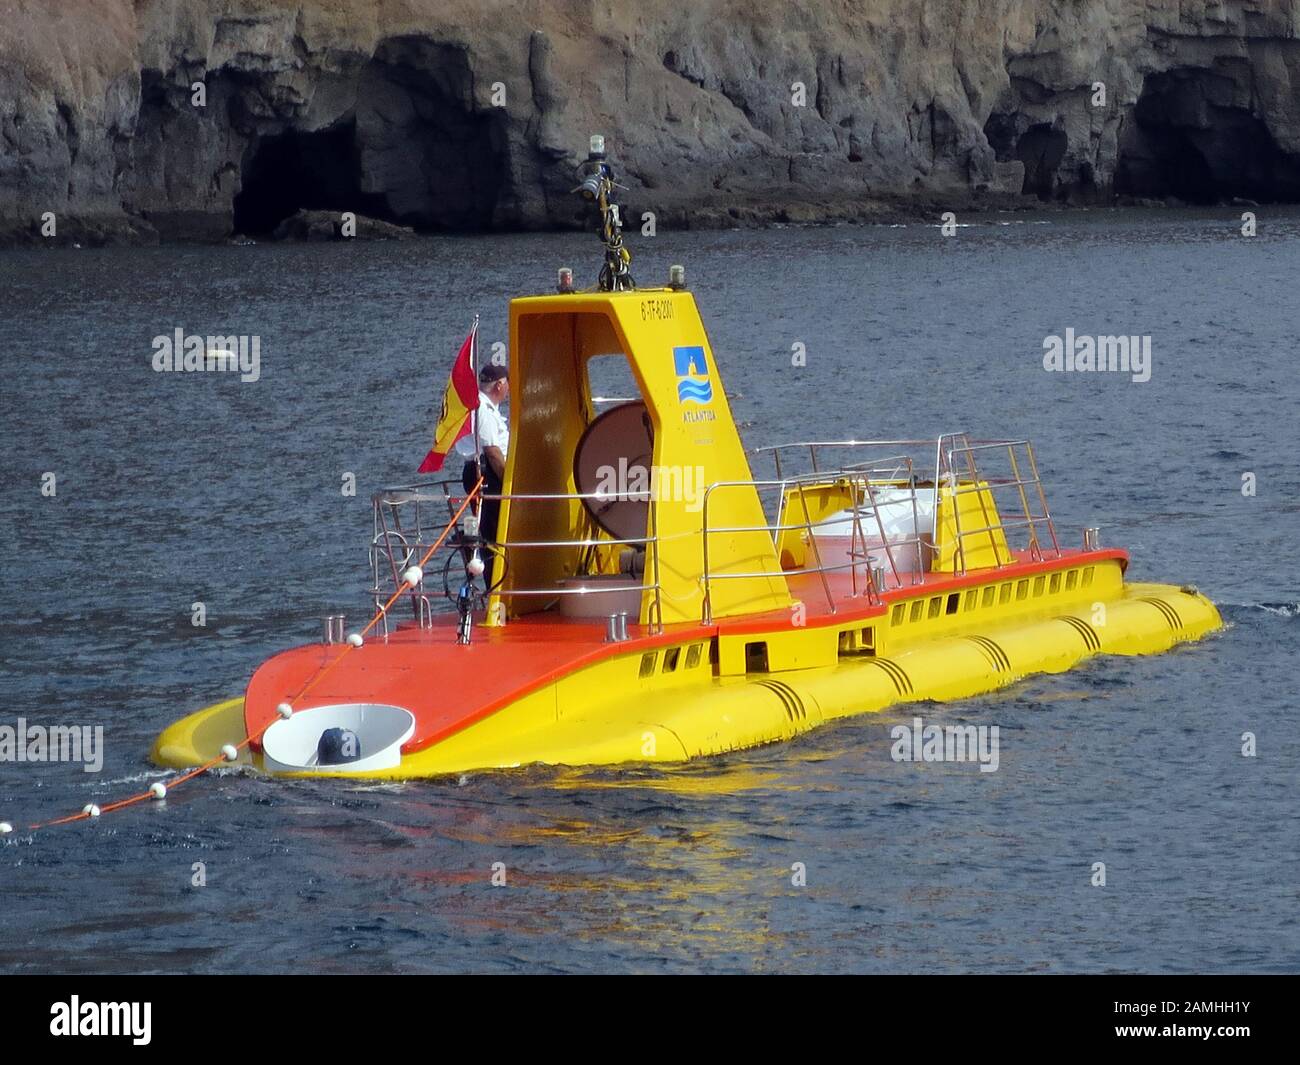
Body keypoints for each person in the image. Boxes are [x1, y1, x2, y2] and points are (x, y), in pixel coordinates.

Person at [458, 362, 509, 544]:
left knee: (491, 526)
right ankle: (494, 570)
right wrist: (509, 483)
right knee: (494, 528)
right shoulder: (483, 409)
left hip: (482, 471)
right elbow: (492, 451)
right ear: (499, 385)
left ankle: (493, 566)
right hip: (486, 473)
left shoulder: (479, 405)